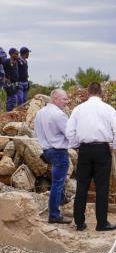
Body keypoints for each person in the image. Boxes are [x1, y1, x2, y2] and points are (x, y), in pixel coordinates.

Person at [66, 82, 116, 231]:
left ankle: (79, 223)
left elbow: (69, 131)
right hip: (102, 150)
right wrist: (113, 147)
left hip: (84, 150)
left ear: (88, 92)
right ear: (101, 92)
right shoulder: (108, 109)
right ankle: (101, 223)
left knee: (82, 187)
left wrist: (77, 146)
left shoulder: (78, 109)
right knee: (102, 188)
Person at [34, 89, 72, 224]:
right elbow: (70, 134)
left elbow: (35, 133)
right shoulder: (59, 115)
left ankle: (61, 200)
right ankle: (54, 214)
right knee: (57, 183)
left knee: (57, 181)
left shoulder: (40, 113)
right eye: (64, 99)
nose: (67, 102)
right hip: (58, 151)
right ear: (55, 99)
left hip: (46, 151)